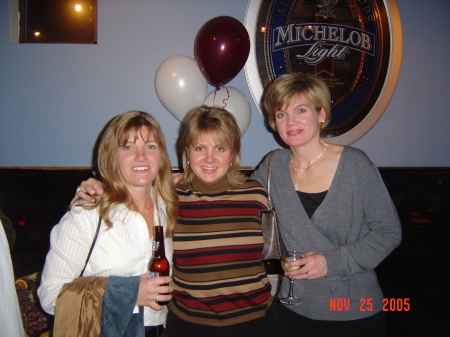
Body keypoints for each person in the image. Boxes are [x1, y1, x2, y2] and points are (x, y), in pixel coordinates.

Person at [73, 106, 277, 337]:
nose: (209, 158)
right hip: (189, 325)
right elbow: (128, 188)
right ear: (186, 152)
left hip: (255, 323)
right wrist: (96, 187)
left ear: (233, 153)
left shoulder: (256, 194)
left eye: (220, 148)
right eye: (200, 148)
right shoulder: (169, 195)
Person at [249, 72, 402, 336]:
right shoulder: (273, 165)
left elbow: (388, 233)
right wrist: (187, 181)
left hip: (352, 311)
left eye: (301, 110)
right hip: (292, 309)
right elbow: (236, 198)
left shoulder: (355, 164)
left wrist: (330, 262)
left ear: (321, 114)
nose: (290, 121)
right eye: (281, 114)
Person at [38, 110, 178, 337]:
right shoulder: (88, 214)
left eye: (150, 146)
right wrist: (128, 293)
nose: (141, 156)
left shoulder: (167, 207)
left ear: (161, 155)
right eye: (128, 147)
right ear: (112, 155)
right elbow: (50, 296)